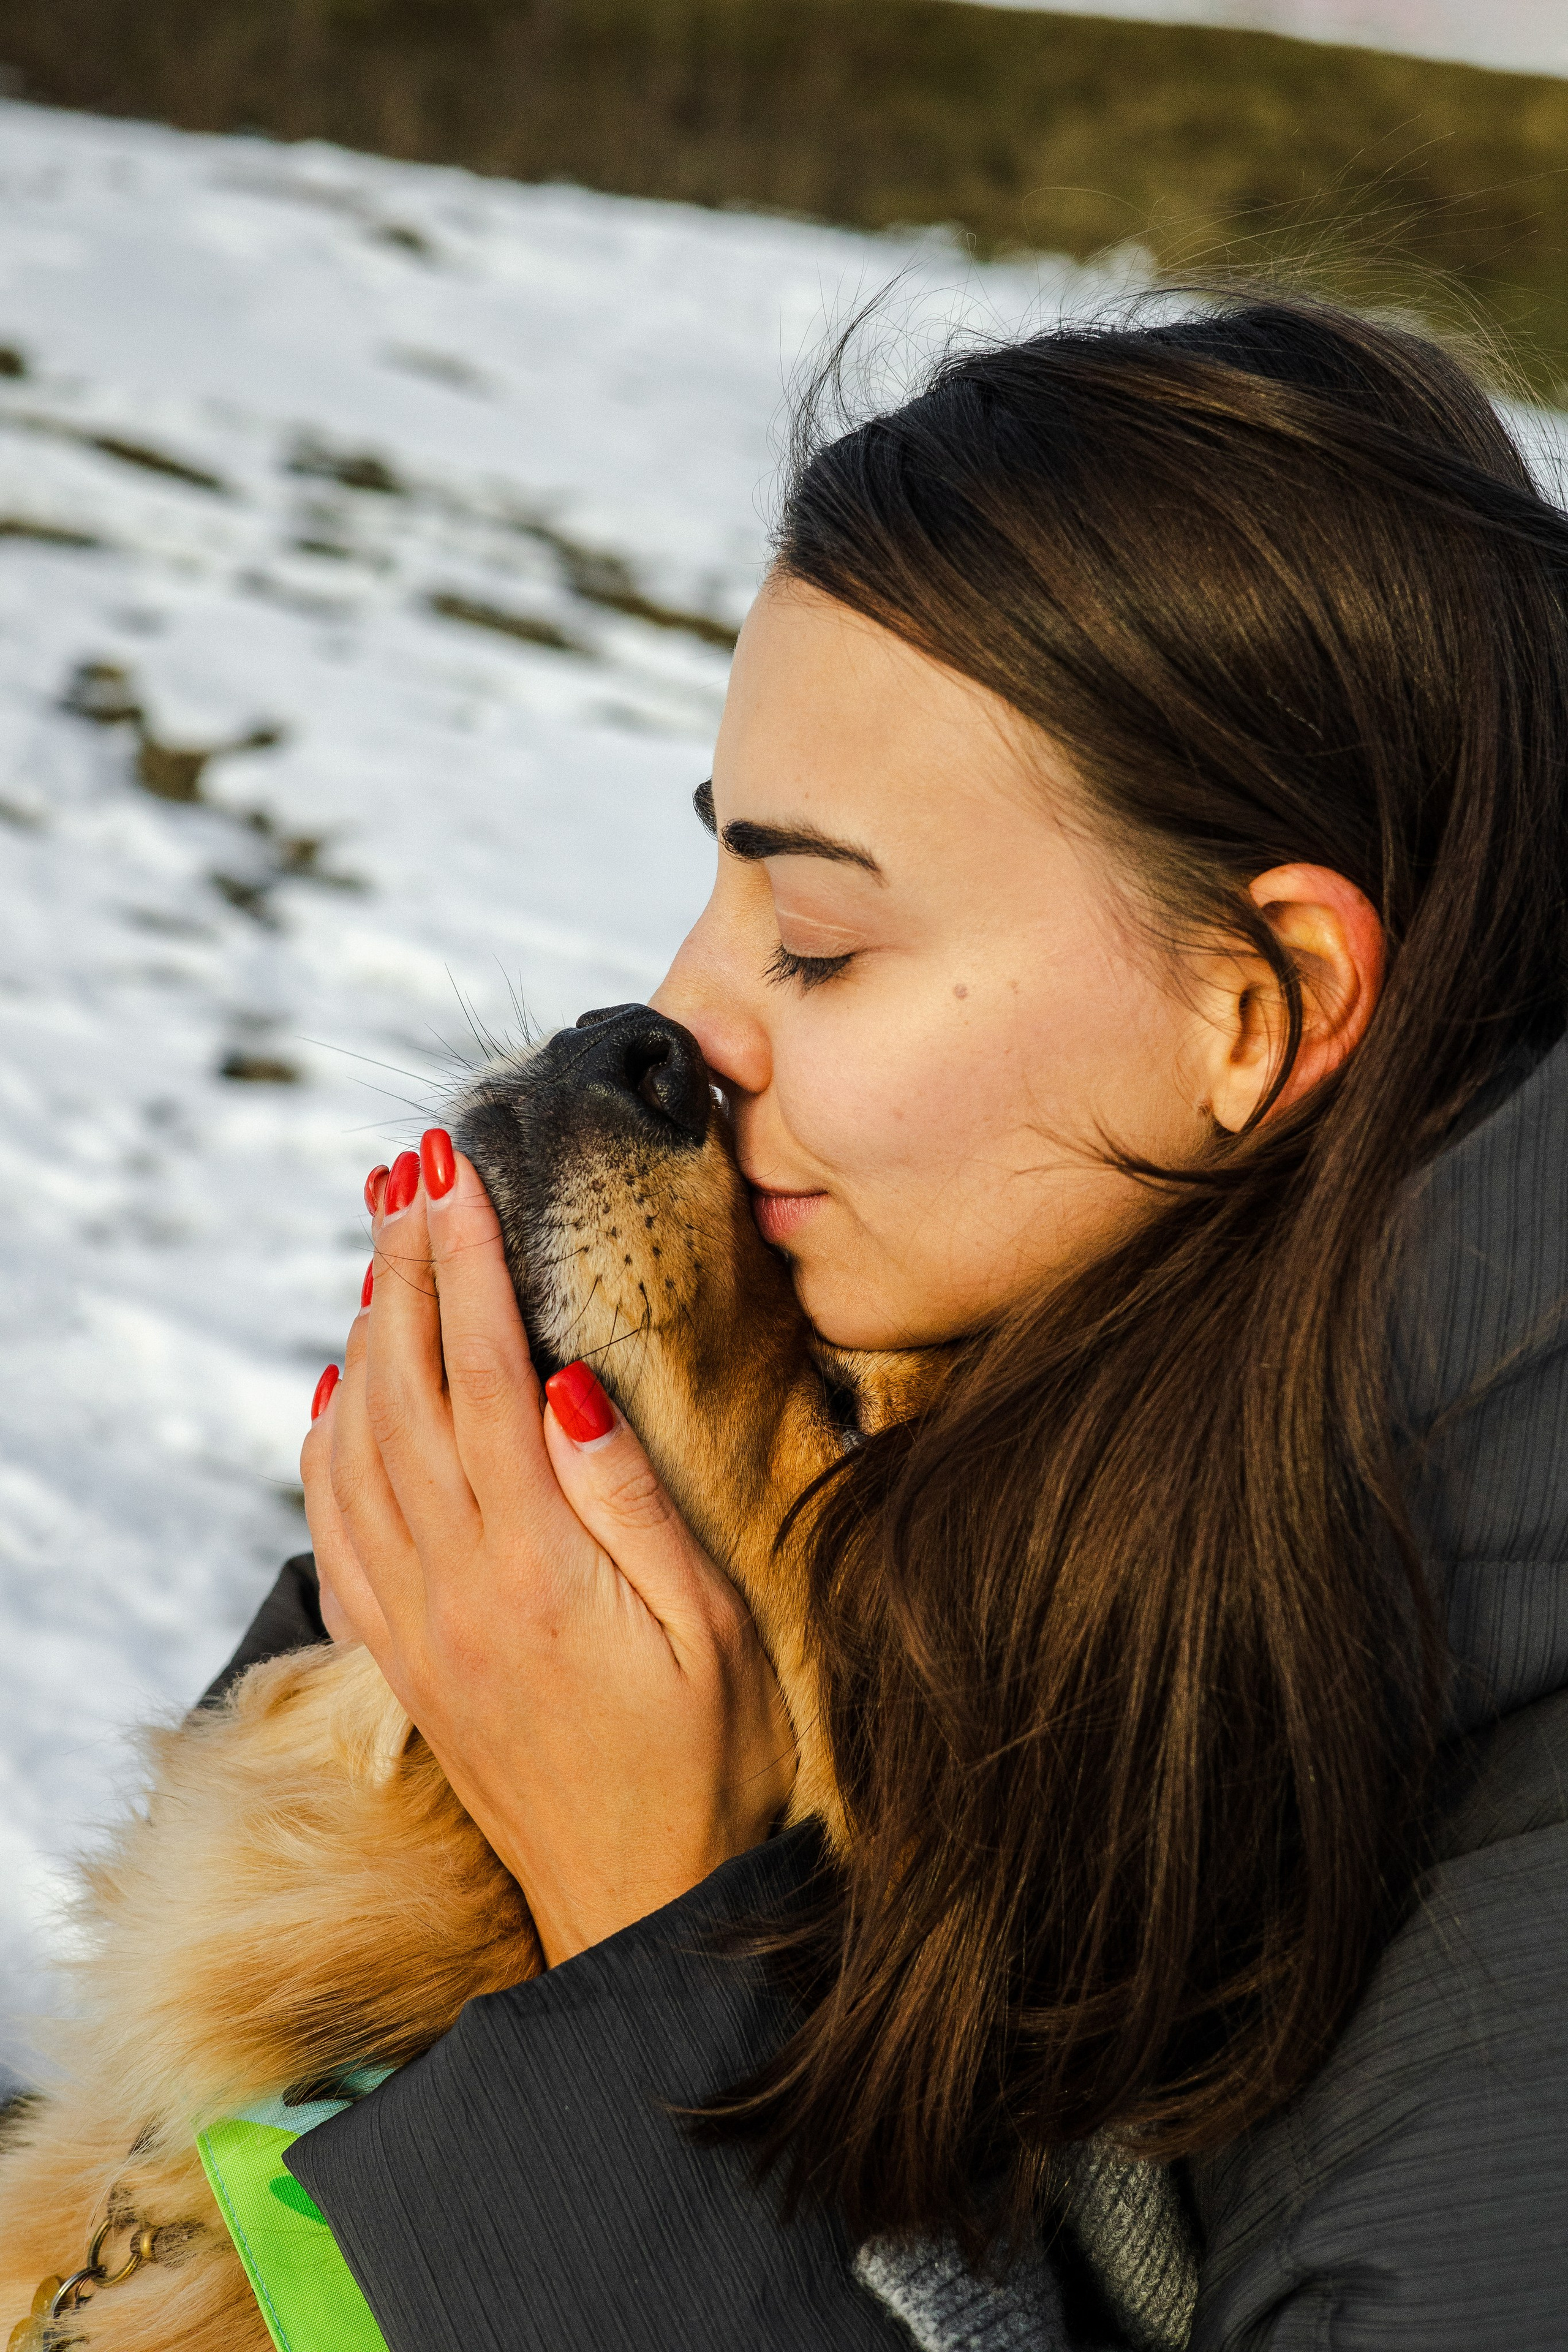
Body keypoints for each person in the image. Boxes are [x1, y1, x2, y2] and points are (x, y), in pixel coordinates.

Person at [214, 294, 1568, 2349]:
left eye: (823, 939)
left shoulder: (1513, 1990)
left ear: (1258, 1007)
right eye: (719, 886)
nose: (685, 1014)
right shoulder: (1055, 1368)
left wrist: (647, 1945)